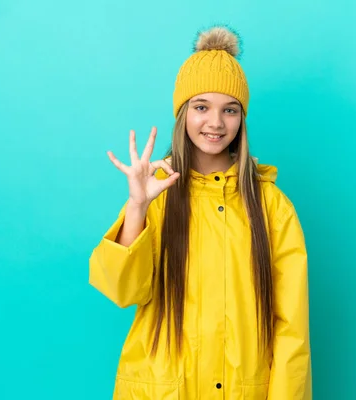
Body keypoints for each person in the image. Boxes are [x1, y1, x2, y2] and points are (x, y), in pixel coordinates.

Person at [89, 25, 312, 399]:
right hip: (162, 389)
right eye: (201, 107)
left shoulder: (272, 207)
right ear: (183, 113)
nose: (215, 123)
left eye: (230, 110)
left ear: (242, 118)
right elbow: (122, 290)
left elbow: (292, 329)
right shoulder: (156, 192)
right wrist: (137, 206)